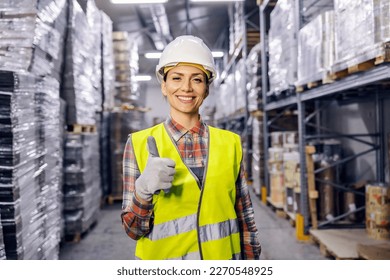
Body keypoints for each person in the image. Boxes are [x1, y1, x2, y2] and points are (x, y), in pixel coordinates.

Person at [121, 35, 261, 260]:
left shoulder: (230, 143)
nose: (186, 88)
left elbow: (245, 218)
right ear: (164, 86)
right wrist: (143, 192)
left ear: (206, 89)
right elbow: (134, 230)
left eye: (197, 79)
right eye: (176, 78)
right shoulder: (138, 144)